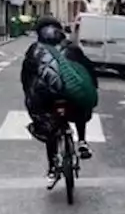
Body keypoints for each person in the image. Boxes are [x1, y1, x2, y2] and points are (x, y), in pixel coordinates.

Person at [20, 16, 98, 179]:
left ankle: (52, 167)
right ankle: (82, 141)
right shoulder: (71, 48)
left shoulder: (35, 50)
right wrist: (93, 87)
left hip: (47, 100)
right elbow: (88, 71)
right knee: (80, 104)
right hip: (72, 99)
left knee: (50, 129)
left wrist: (30, 95)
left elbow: (26, 77)